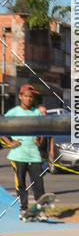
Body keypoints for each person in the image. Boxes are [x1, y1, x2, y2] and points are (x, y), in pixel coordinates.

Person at [5, 85, 45, 220]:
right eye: (26, 96)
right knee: (21, 183)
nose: (28, 99)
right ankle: (23, 209)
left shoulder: (36, 113)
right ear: (20, 97)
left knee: (38, 183)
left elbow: (43, 128)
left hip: (33, 154)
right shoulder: (13, 112)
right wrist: (10, 142)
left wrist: (40, 139)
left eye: (31, 97)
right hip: (18, 154)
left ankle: (40, 210)